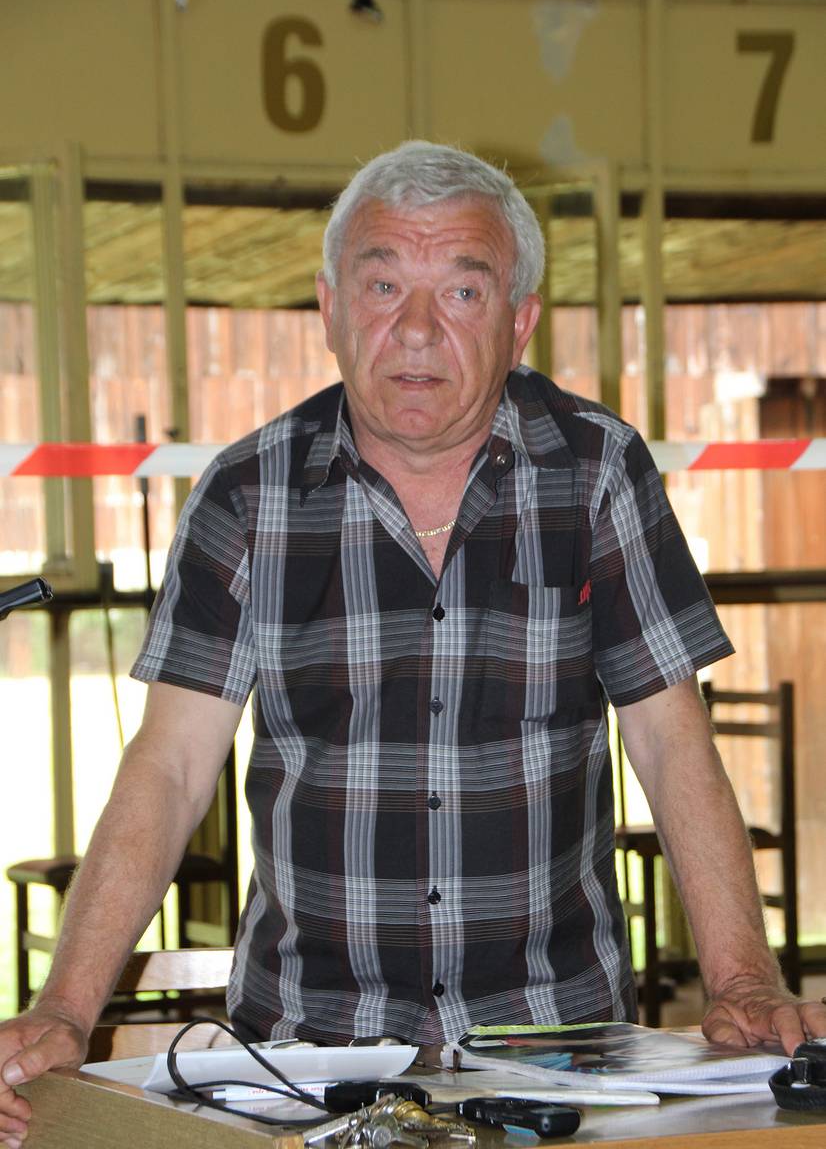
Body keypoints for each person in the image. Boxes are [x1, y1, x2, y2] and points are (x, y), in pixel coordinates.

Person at [1, 141, 824, 1145]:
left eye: (463, 291)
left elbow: (668, 735)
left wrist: (741, 978)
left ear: (520, 321)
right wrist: (65, 1008)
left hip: (559, 1055)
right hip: (304, 1057)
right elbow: (170, 766)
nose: (418, 329)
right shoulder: (248, 494)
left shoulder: (596, 472)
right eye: (383, 284)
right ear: (330, 309)